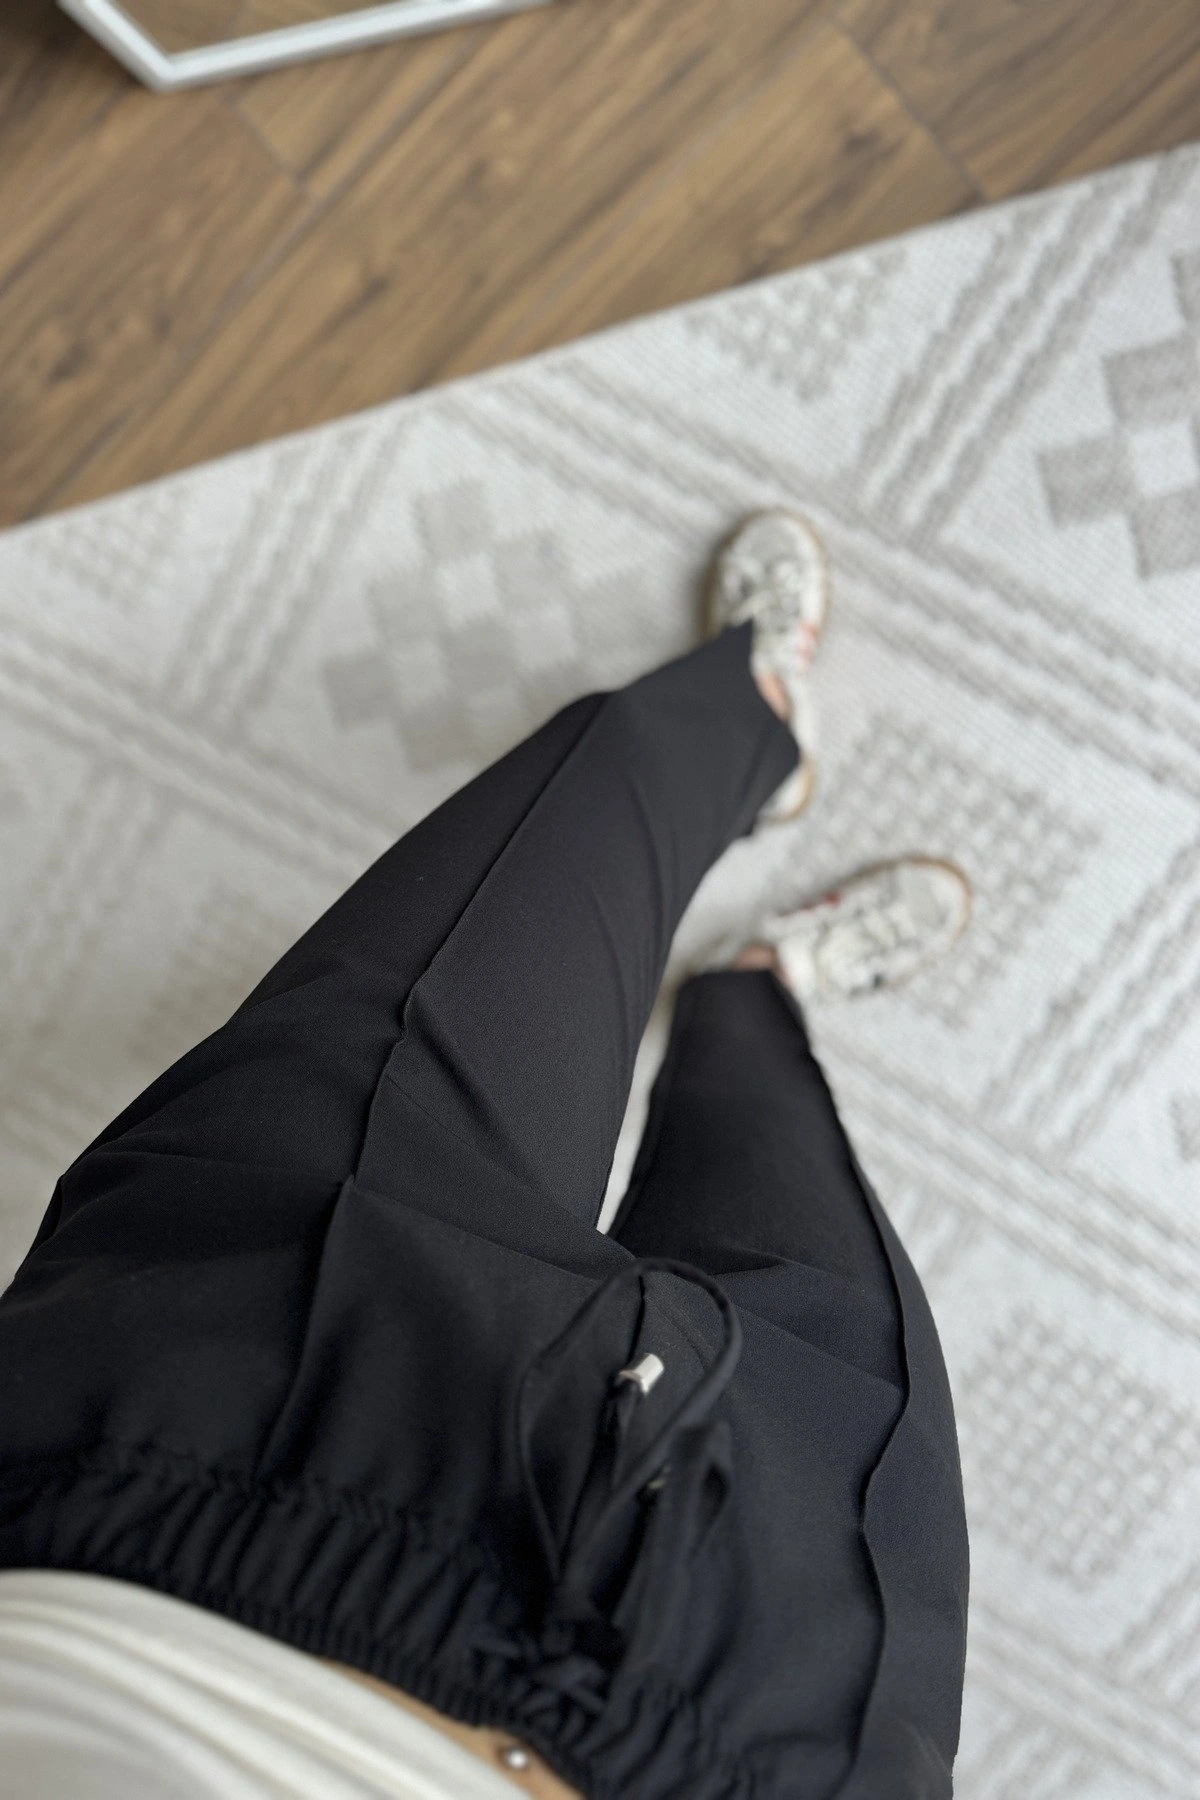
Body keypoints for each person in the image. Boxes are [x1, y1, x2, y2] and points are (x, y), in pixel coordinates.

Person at [0, 513, 970, 1799]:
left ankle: (746, 711)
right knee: (817, 1254)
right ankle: (752, 991)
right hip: (736, 1743)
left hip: (162, 1484)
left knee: (546, 856)